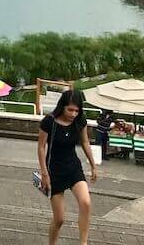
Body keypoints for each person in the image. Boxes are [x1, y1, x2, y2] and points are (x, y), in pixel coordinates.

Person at [37, 89, 97, 245]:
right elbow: (41, 147)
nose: (73, 114)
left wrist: (93, 165)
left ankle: (83, 243)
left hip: (73, 168)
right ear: (62, 106)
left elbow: (85, 142)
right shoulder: (49, 121)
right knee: (59, 219)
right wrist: (44, 173)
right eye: (70, 109)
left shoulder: (80, 121)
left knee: (86, 202)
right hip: (54, 171)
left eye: (77, 110)